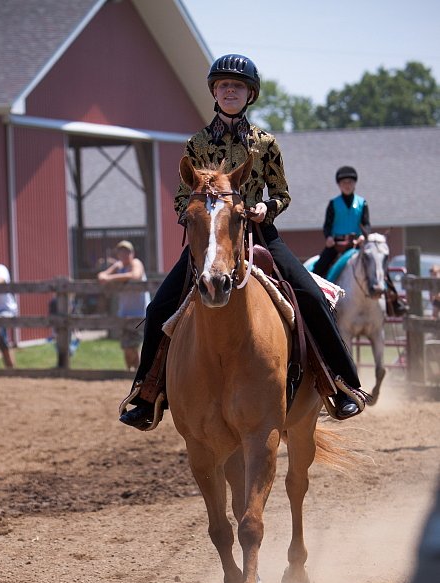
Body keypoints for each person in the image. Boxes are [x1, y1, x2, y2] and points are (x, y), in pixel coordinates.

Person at [120, 54, 365, 430]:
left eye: (236, 86)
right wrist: (196, 214)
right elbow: (181, 197)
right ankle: (146, 394)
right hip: (212, 239)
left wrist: (265, 208)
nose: (229, 91)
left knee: (312, 297)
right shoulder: (196, 143)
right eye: (222, 86)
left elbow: (282, 193)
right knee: (158, 309)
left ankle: (342, 384)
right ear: (214, 93)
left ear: (249, 94)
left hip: (260, 233)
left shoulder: (265, 143)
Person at [97, 240, 150, 370]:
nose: (124, 254)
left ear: (132, 253)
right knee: (126, 348)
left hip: (140, 314)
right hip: (124, 314)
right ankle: (130, 373)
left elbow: (135, 275)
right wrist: (107, 275)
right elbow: (102, 275)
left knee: (133, 346)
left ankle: (136, 373)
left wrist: (111, 278)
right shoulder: (118, 266)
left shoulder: (136, 263)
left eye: (127, 251)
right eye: (121, 251)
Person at [313, 166, 371, 279]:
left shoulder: (362, 203)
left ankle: (387, 292)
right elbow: (327, 225)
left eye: (350, 182)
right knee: (319, 268)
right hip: (336, 244)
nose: (347, 185)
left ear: (355, 184)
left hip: (356, 244)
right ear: (339, 185)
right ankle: (314, 292)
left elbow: (366, 224)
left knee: (375, 263)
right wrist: (328, 237)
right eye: (344, 182)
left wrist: (364, 236)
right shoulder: (333, 203)